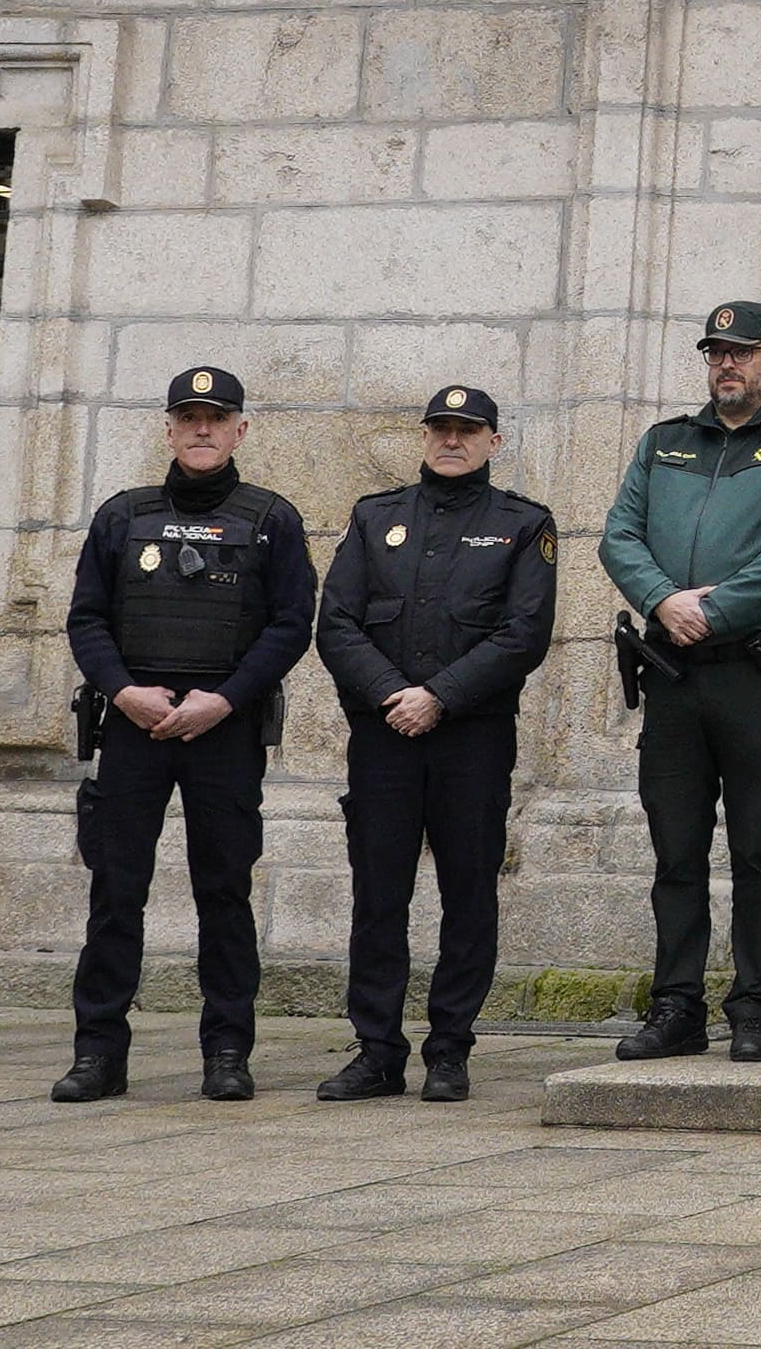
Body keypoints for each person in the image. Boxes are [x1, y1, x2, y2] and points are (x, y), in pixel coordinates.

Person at [56, 365, 316, 1103]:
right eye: (189, 416)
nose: (202, 429)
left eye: (217, 417)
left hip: (221, 728)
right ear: (168, 429)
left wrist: (227, 699)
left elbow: (292, 622)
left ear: (240, 430)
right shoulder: (121, 515)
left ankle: (228, 1050)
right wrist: (123, 690)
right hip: (135, 724)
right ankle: (98, 1053)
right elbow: (87, 617)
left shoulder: (271, 519)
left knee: (224, 893)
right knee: (116, 891)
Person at [600, 302, 761, 1065]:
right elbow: (620, 534)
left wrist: (716, 607)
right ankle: (675, 1003)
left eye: (742, 353)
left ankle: (752, 1005)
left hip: (756, 668)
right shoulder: (665, 441)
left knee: (756, 846)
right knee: (675, 847)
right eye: (716, 353)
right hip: (673, 669)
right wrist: (660, 600)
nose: (726, 366)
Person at [315, 384, 558, 1103]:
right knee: (379, 894)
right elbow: (337, 624)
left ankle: (450, 1047)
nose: (452, 440)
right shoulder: (375, 517)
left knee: (468, 893)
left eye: (468, 429)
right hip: (385, 734)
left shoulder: (522, 524)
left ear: (493, 440)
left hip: (472, 740)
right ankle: (376, 1049)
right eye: (440, 429)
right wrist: (397, 694)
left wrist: (439, 696)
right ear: (424, 437)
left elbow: (524, 633)